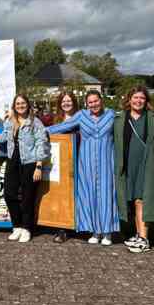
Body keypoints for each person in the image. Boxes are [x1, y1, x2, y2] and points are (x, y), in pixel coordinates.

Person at [47, 90, 119, 245]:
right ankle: (95, 231)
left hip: (106, 162)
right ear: (87, 103)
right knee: (89, 195)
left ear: (101, 100)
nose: (94, 104)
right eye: (90, 102)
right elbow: (61, 127)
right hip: (86, 163)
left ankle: (107, 232)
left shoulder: (111, 115)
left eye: (96, 101)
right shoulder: (81, 116)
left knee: (107, 196)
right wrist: (39, 132)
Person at [0, 94, 50, 243]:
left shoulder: (35, 123)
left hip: (30, 163)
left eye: (23, 103)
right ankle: (16, 226)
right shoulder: (10, 122)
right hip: (13, 161)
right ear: (14, 106)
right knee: (9, 194)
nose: (20, 106)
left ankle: (26, 228)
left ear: (28, 105)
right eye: (17, 104)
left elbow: (41, 144)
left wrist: (39, 166)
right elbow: (3, 138)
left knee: (28, 197)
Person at [114, 86, 154, 253]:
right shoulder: (120, 118)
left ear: (146, 101)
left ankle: (144, 238)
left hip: (146, 164)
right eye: (135, 97)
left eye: (142, 98)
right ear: (129, 100)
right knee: (132, 200)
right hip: (127, 164)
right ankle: (138, 234)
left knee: (141, 199)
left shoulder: (153, 118)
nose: (138, 101)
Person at [47, 91, 80, 243]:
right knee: (62, 195)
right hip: (62, 163)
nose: (66, 103)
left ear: (74, 102)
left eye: (69, 101)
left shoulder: (81, 118)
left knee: (79, 195)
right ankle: (62, 229)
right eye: (63, 101)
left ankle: (80, 225)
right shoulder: (56, 119)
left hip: (79, 160)